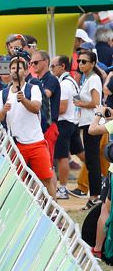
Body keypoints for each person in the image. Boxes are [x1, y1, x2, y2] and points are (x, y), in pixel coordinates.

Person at [0, 54, 57, 197]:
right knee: (17, 181)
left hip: (36, 142)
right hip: (15, 145)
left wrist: (24, 100)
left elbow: (36, 108)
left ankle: (54, 213)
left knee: (46, 179)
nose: (15, 70)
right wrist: (3, 110)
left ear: (26, 72)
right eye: (13, 68)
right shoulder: (4, 93)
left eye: (19, 68)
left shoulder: (33, 89)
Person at [73, 49, 104, 205]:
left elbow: (95, 103)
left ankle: (95, 196)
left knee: (93, 160)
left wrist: (80, 104)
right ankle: (95, 195)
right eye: (79, 61)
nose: (80, 64)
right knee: (92, 161)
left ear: (92, 64)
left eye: (84, 61)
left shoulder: (93, 79)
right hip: (87, 123)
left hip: (93, 123)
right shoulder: (87, 79)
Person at [52, 55, 83, 200]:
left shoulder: (63, 84)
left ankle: (63, 189)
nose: (52, 69)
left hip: (64, 123)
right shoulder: (72, 81)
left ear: (62, 66)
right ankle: (100, 174)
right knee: (80, 153)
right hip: (74, 122)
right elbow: (77, 101)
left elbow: (62, 108)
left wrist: (48, 111)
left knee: (61, 157)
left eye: (53, 66)